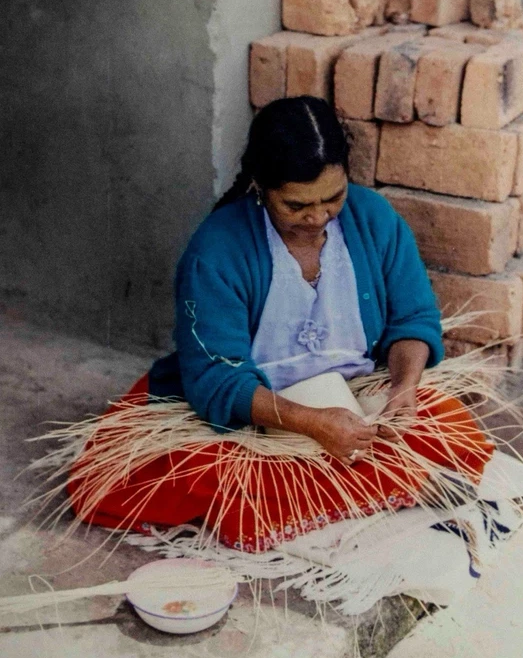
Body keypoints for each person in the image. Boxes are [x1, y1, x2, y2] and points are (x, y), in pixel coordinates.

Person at [68, 97, 494, 550]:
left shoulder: (374, 219)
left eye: (334, 197)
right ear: (261, 186)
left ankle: (369, 483)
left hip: (357, 397)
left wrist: (403, 389)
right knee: (126, 481)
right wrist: (309, 423)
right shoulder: (218, 249)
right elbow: (215, 376)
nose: (317, 217)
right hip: (254, 418)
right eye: (296, 205)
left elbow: (413, 318)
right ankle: (396, 483)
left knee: (452, 430)